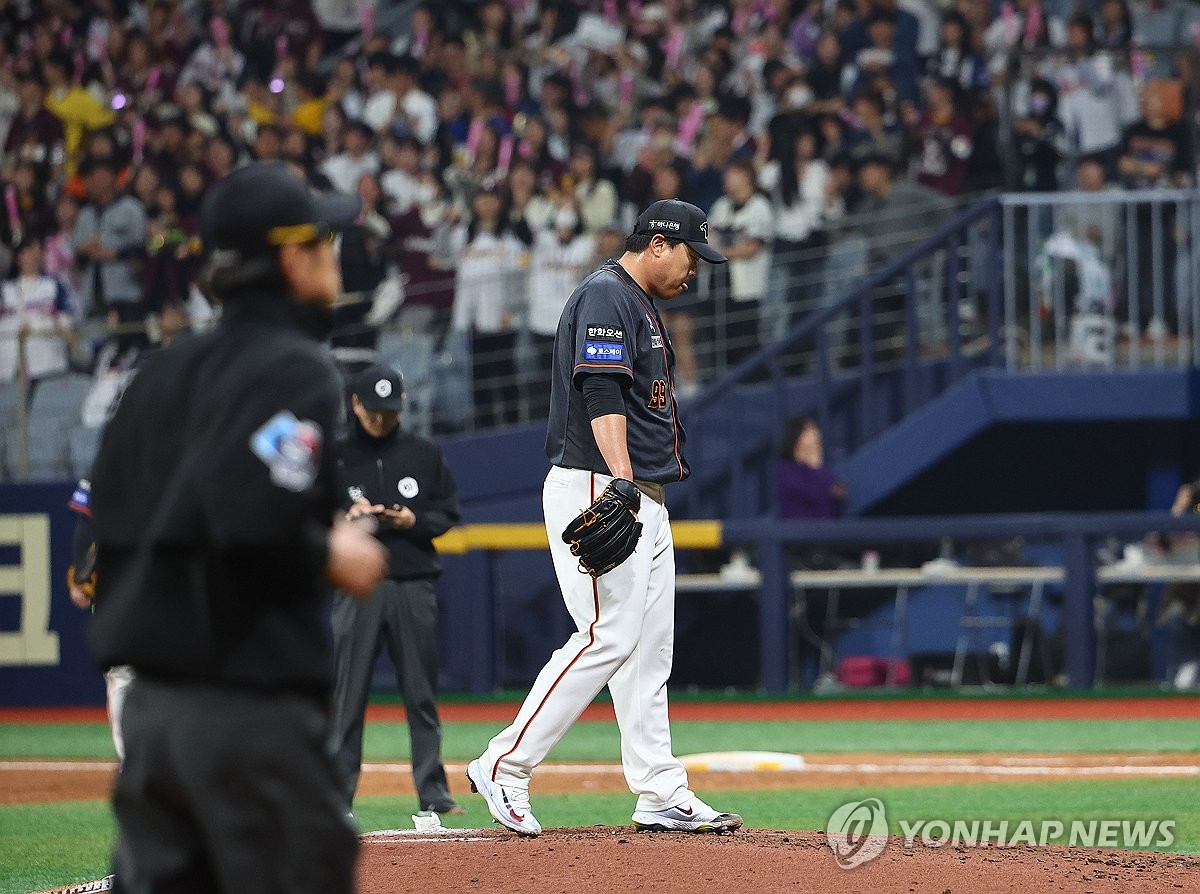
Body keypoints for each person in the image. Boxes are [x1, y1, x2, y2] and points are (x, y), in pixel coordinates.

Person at [86, 161, 388, 893]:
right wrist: (332, 552)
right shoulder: (297, 370)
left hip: (153, 724)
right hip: (249, 722)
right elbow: (249, 521)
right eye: (324, 238)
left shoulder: (155, 375)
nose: (334, 252)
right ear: (291, 257)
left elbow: (111, 517)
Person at [467, 199, 742, 837]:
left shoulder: (638, 303)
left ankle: (658, 791)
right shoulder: (606, 296)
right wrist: (619, 481)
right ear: (656, 244)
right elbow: (600, 391)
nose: (694, 270)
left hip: (641, 492)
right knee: (607, 635)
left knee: (649, 651)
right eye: (690, 256)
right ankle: (504, 764)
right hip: (600, 481)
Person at [328, 363, 465, 818]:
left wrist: (413, 521)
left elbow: (448, 511)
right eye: (372, 412)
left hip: (412, 581)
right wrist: (344, 521)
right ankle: (337, 794)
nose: (380, 420)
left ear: (402, 404)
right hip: (356, 590)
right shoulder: (336, 456)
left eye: (387, 411)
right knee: (348, 697)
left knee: (421, 693)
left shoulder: (423, 452)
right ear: (355, 404)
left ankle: (433, 791)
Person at [66, 476, 135, 766]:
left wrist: (82, 578)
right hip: (124, 587)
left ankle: (134, 763)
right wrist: (83, 576)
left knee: (126, 676)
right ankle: (133, 761)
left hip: (150, 584)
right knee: (124, 674)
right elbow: (86, 522)